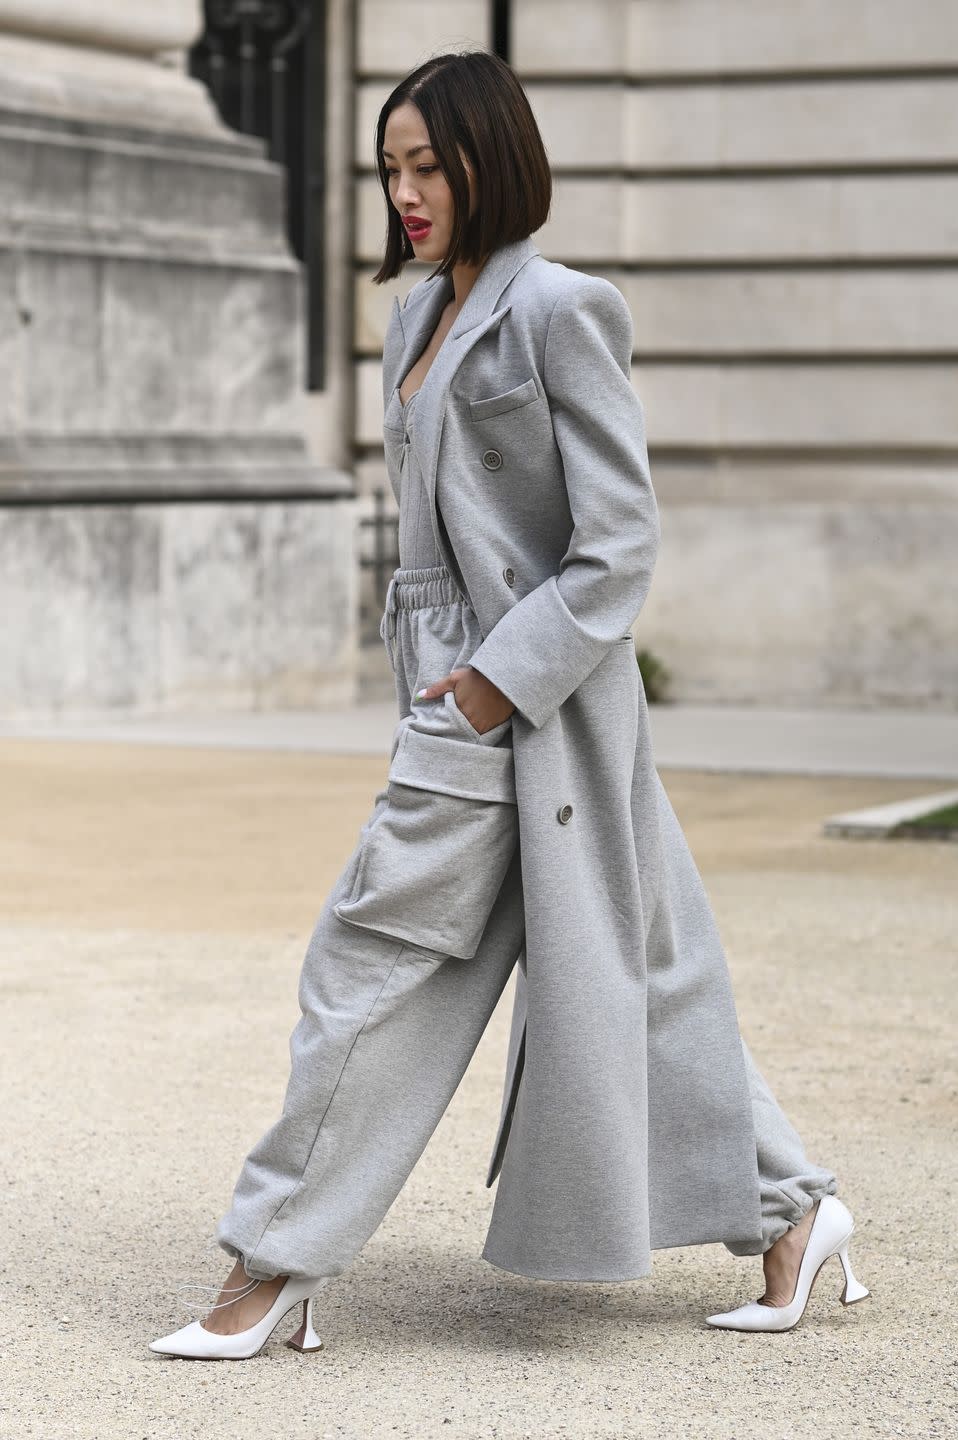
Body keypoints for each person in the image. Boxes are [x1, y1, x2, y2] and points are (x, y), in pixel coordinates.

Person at [148, 50, 869, 1361]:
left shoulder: (562, 309)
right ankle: (790, 1212)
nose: (406, 192)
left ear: (496, 156)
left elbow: (617, 546)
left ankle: (271, 1263)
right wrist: (439, 678)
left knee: (369, 970)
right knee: (627, 977)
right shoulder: (416, 317)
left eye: (428, 164)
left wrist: (487, 685)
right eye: (389, 169)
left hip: (518, 700)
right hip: (458, 697)